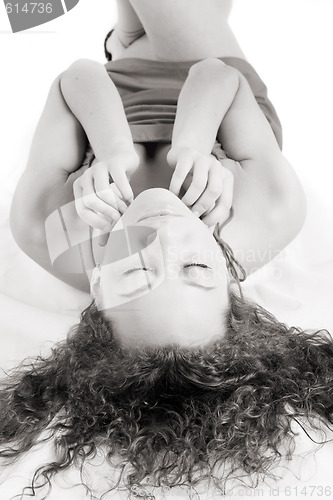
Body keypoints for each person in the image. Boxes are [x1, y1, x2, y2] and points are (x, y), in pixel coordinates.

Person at [3, 1, 326, 498]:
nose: (167, 240)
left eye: (134, 272)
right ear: (229, 273)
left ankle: (128, 42)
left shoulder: (49, 234)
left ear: (97, 285)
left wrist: (113, 151)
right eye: (195, 267)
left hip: (114, 88)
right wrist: (193, 146)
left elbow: (78, 76)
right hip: (215, 100)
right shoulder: (269, 212)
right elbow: (215, 74)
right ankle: (131, 35)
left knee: (152, 24)